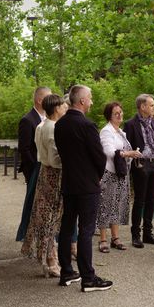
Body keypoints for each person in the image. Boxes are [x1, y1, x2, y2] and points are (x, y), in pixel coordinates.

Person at [54, 85, 112, 292]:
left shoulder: (59, 125)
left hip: (69, 183)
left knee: (67, 227)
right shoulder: (87, 125)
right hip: (87, 185)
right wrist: (96, 177)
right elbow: (99, 157)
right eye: (90, 98)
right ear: (81, 101)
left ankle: (67, 272)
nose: (92, 102)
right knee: (86, 231)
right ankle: (88, 278)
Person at [21, 94, 67, 277]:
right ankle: (50, 260)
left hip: (44, 173)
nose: (65, 109)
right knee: (50, 219)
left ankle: (50, 257)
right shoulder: (53, 128)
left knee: (45, 218)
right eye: (63, 106)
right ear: (56, 108)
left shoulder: (41, 125)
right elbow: (55, 159)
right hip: (53, 176)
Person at [97, 102, 142, 253]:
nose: (120, 115)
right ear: (109, 115)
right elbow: (109, 151)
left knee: (117, 205)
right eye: (116, 113)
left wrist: (130, 154)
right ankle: (103, 239)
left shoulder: (120, 132)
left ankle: (115, 238)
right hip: (109, 173)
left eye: (121, 112)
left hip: (121, 174)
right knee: (105, 205)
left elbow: (123, 150)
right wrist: (128, 154)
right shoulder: (106, 131)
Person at [124, 94, 154, 248]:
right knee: (140, 200)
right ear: (143, 107)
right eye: (152, 105)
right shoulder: (130, 124)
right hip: (141, 165)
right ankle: (136, 235)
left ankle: (148, 233)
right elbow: (126, 146)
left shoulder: (153, 123)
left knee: (151, 199)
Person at [16, 86, 51, 241]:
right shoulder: (27, 120)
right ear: (39, 100)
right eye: (48, 97)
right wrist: (34, 170)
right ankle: (28, 235)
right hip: (34, 169)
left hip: (46, 168)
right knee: (33, 202)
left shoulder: (48, 119)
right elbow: (24, 149)